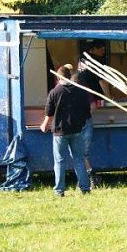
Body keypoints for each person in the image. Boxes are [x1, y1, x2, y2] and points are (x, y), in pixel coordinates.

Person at [39, 64, 93, 197]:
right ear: (70, 77)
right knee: (79, 160)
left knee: (59, 161)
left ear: (58, 77)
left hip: (59, 131)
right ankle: (85, 188)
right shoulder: (80, 91)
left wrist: (44, 124)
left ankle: (59, 191)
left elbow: (49, 111)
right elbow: (87, 111)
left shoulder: (54, 92)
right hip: (77, 130)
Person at [76, 41, 110, 186]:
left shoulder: (82, 61)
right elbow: (102, 81)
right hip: (87, 112)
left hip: (78, 119)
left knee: (79, 152)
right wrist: (109, 97)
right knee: (82, 152)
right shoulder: (93, 62)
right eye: (101, 48)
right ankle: (89, 178)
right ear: (93, 49)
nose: (103, 51)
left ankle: (85, 179)